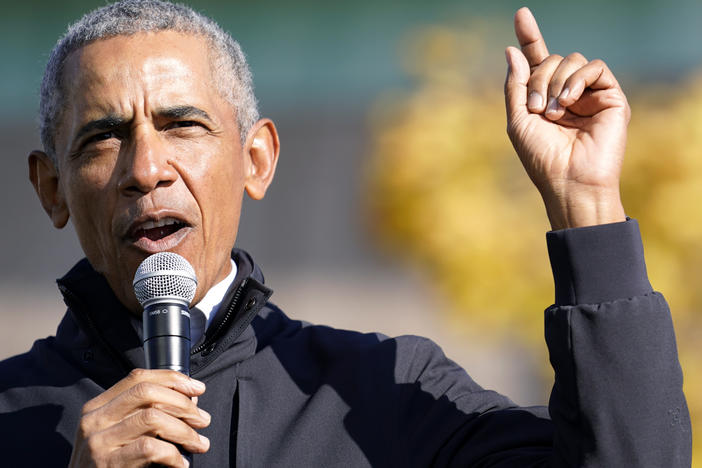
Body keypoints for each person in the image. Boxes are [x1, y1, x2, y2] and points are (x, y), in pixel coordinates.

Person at [0, 1, 690, 466]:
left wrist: (586, 201)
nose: (146, 170)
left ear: (257, 159)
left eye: (183, 125)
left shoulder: (383, 393)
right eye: (103, 138)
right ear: (51, 187)